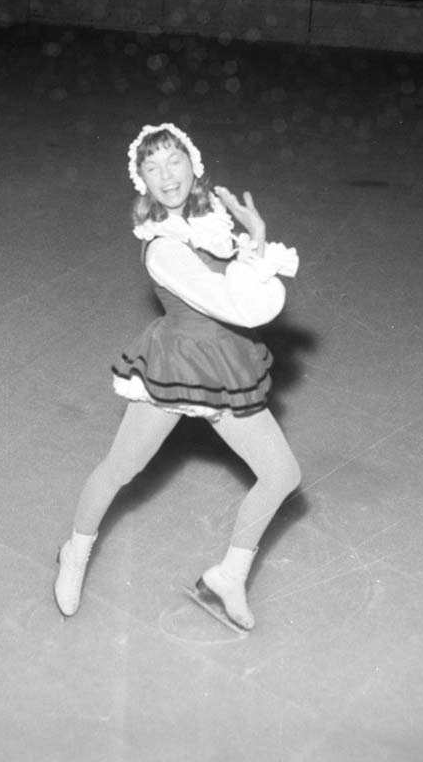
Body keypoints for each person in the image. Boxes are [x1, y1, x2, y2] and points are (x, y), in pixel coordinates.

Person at [54, 122, 301, 631]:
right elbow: (235, 303)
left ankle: (228, 577)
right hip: (177, 367)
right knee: (121, 469)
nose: (167, 176)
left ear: (193, 164)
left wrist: (252, 238)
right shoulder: (163, 246)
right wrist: (254, 247)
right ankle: (73, 552)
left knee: (282, 475)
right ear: (141, 181)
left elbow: (240, 285)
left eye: (174, 162)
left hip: (224, 363)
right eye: (153, 168)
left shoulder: (209, 220)